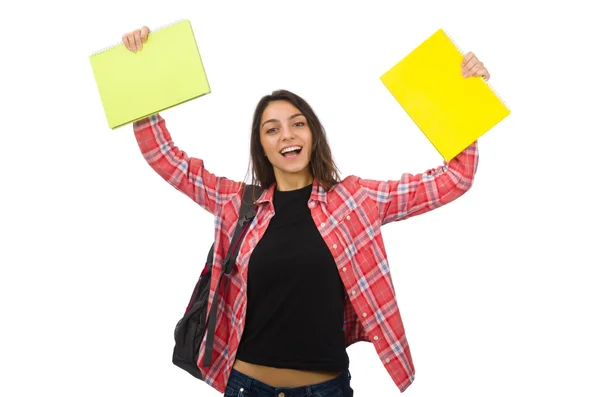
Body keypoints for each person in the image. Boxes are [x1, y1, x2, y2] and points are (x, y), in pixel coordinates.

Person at [122, 25, 488, 397]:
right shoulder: (238, 204)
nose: (287, 136)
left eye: (297, 124)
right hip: (246, 387)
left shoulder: (354, 200)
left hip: (325, 390)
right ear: (261, 146)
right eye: (272, 129)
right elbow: (167, 159)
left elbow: (454, 179)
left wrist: (462, 95)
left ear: (313, 135)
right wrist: (141, 69)